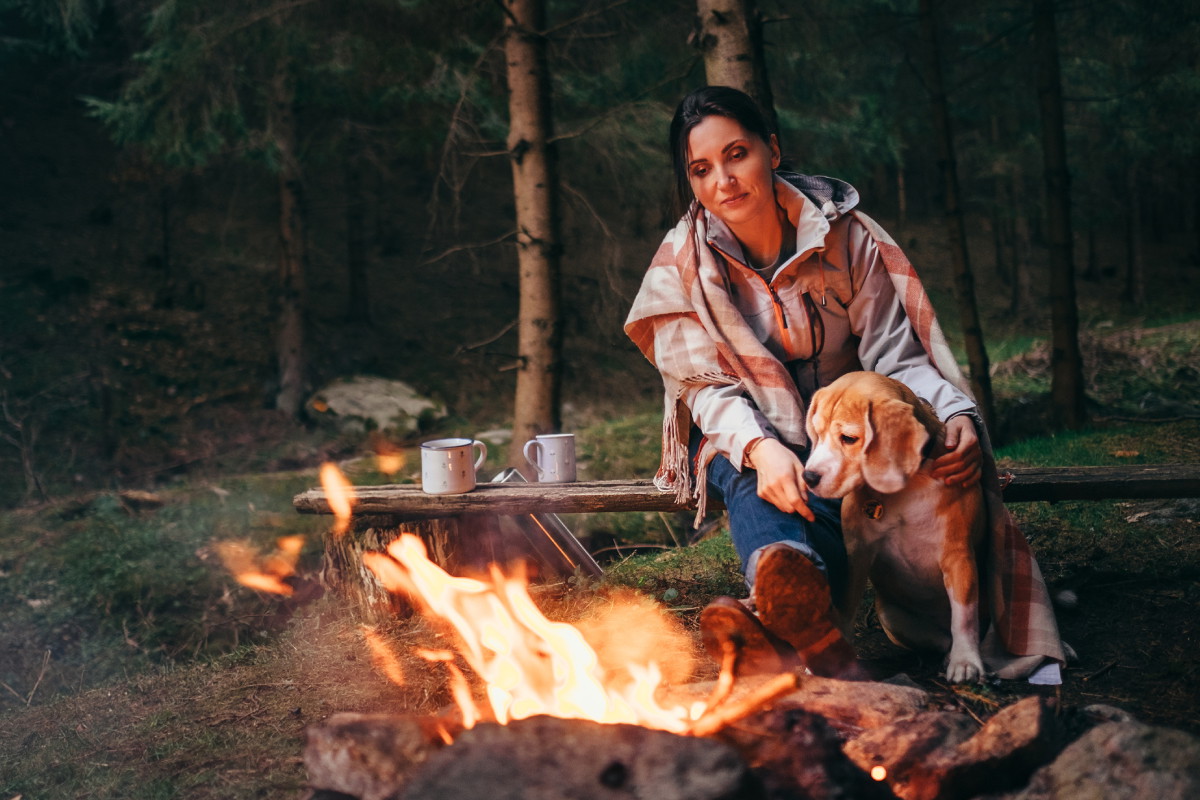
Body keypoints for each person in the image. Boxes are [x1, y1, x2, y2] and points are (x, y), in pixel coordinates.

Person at [625, 86, 1065, 681]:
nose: (724, 180)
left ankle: (781, 621)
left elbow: (896, 358)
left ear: (771, 151)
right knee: (751, 475)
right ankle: (785, 582)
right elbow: (707, 390)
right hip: (753, 433)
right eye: (702, 170)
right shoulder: (684, 266)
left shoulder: (846, 238)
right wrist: (765, 449)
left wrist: (954, 414)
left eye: (737, 154)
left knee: (865, 499)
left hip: (853, 436)